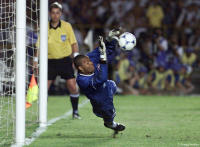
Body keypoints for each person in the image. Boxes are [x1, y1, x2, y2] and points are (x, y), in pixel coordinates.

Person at [34, 2, 80, 119]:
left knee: (72, 87)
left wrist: (76, 59)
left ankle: (75, 112)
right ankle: (41, 114)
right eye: (53, 13)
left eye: (57, 13)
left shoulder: (67, 26)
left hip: (65, 61)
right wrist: (35, 60)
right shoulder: (44, 27)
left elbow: (74, 43)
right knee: (44, 88)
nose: (55, 15)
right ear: (50, 14)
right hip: (49, 62)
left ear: (61, 14)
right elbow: (38, 46)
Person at [73, 30, 125, 133]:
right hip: (100, 102)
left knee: (111, 85)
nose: (90, 63)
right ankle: (111, 124)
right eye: (87, 63)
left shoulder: (90, 58)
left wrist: (110, 40)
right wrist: (103, 59)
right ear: (81, 68)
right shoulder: (82, 81)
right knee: (108, 115)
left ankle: (110, 122)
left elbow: (105, 50)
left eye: (89, 61)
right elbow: (101, 79)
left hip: (107, 88)